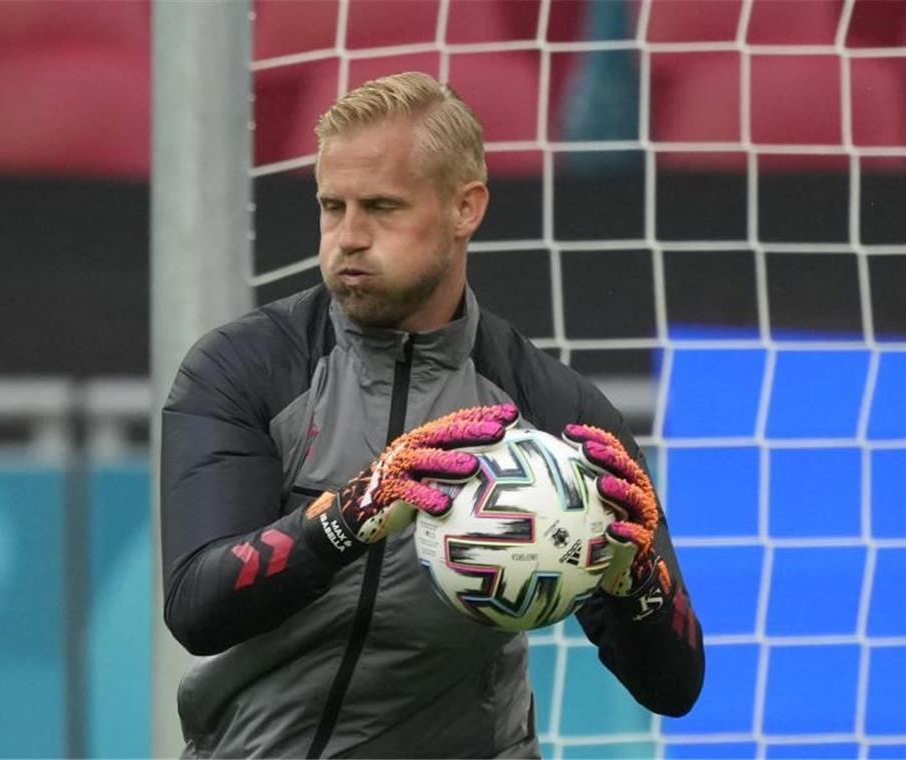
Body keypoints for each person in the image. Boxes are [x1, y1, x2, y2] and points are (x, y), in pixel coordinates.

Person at [161, 71, 704, 759]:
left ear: (465, 208)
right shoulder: (247, 369)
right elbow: (197, 608)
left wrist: (636, 586)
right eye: (333, 206)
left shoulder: (556, 414)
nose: (348, 238)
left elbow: (675, 686)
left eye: (382, 208)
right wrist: (347, 516)